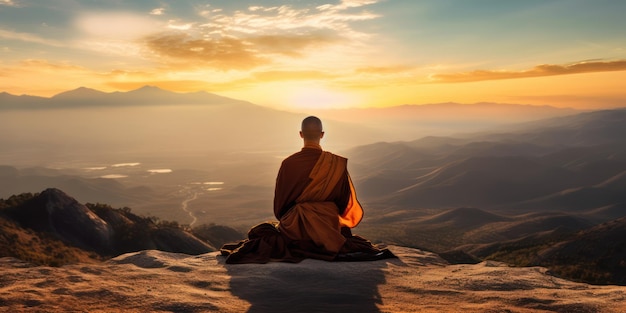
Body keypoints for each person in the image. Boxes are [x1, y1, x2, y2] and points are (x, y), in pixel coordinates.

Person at [221, 116, 394, 263]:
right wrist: (324, 217)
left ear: (301, 134)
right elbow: (343, 202)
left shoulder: (289, 163)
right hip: (328, 226)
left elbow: (280, 207)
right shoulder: (335, 164)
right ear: (322, 135)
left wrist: (300, 217)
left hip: (296, 228)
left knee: (263, 232)